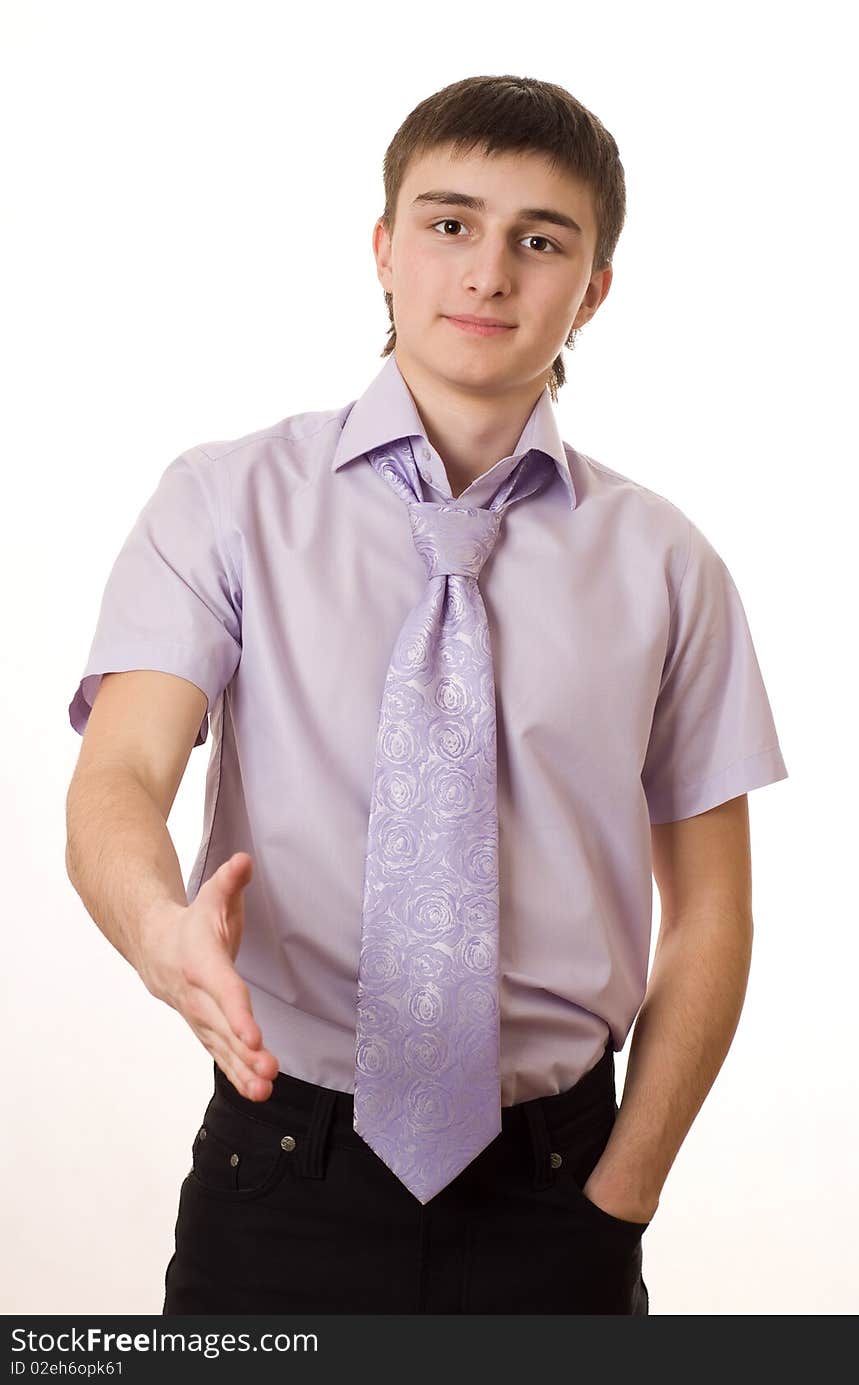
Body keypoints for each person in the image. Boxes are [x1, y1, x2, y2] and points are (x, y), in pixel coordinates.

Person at [65, 74, 788, 1315]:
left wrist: (627, 1187)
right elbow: (120, 776)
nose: (488, 272)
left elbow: (711, 910)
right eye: (450, 223)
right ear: (385, 247)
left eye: (540, 239)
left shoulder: (669, 564)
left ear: (593, 287)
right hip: (281, 1169)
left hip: (561, 1182)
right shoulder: (223, 504)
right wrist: (158, 928)